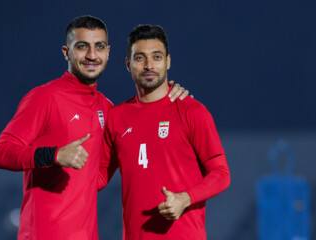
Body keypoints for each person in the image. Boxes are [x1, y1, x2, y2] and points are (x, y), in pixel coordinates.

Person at [0, 16, 188, 240]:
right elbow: (0, 153)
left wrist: (168, 96)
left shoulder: (107, 108)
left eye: (99, 47)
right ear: (66, 52)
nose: (92, 55)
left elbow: (98, 178)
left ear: (108, 52)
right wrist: (54, 155)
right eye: (82, 47)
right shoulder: (44, 98)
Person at [98, 24, 230, 240]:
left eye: (156, 57)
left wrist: (185, 199)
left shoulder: (192, 111)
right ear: (128, 64)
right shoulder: (116, 117)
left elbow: (222, 174)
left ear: (168, 61)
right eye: (140, 58)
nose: (149, 65)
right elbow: (98, 178)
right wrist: (52, 157)